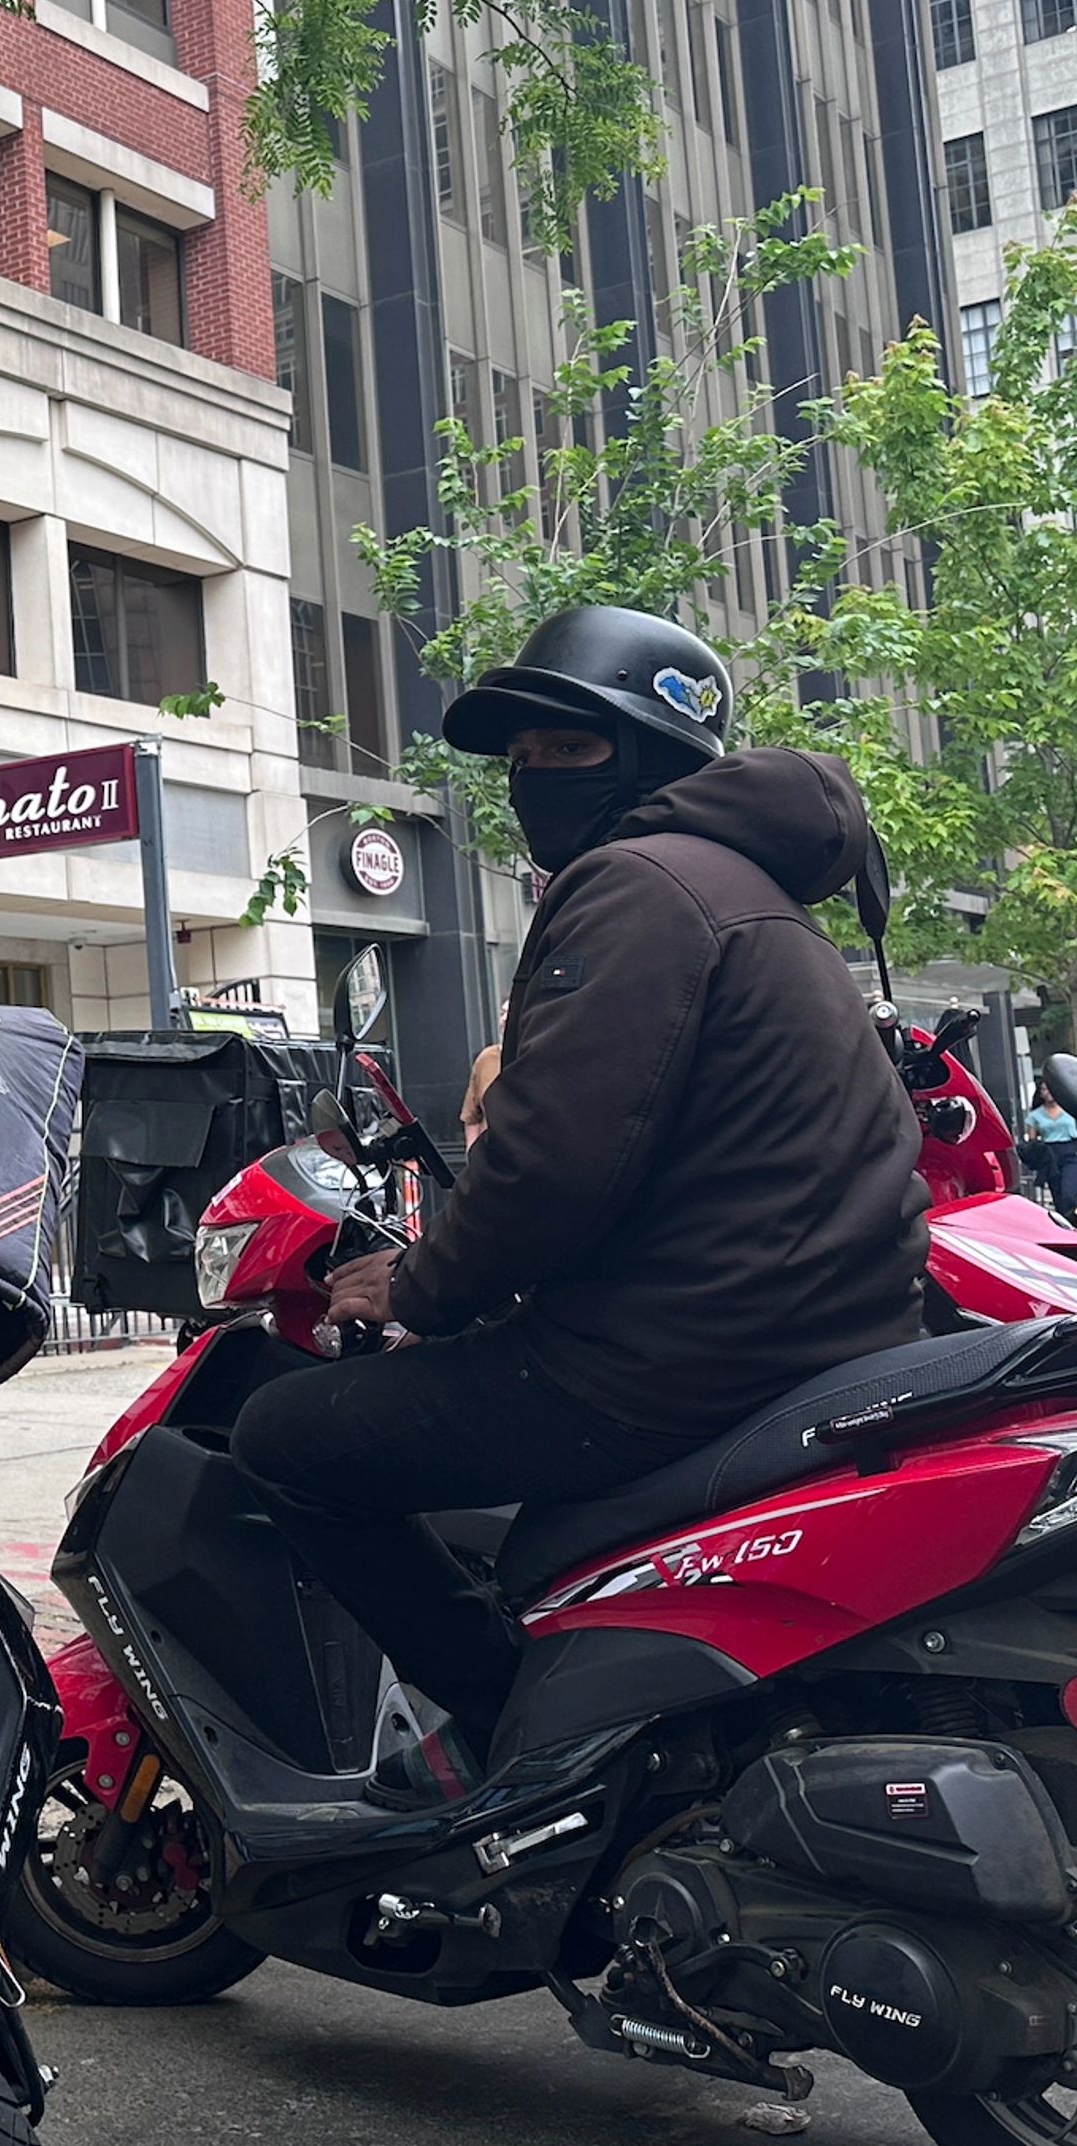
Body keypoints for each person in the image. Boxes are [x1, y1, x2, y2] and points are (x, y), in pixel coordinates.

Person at [232, 605, 929, 1765]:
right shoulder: (755, 897)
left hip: (669, 1365)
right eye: (522, 758)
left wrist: (417, 1287)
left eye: (572, 746)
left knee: (282, 1437)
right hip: (805, 1343)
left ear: (655, 756)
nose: (535, 778)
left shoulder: (637, 886)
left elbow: (552, 1164)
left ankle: (516, 1740)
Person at [1020, 1081, 1077, 1215]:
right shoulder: (1035, 1115)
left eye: (1051, 1089)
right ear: (1040, 1093)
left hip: (1071, 1151)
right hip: (1050, 1156)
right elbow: (1032, 1141)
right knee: (1058, 1196)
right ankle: (1067, 1227)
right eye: (1044, 1090)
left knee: (1070, 1192)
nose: (1048, 1092)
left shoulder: (1069, 1109)